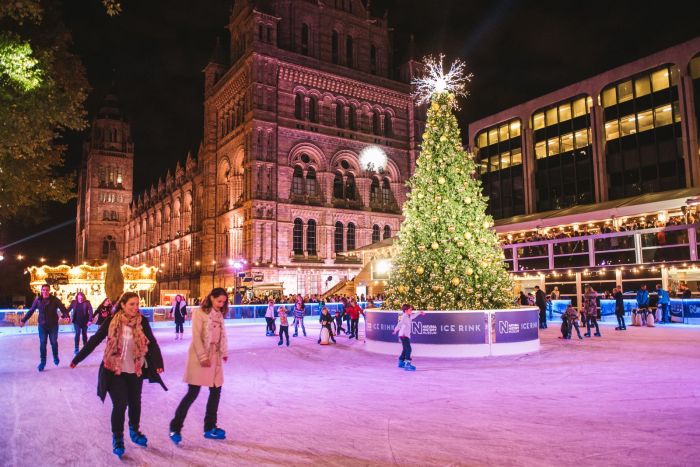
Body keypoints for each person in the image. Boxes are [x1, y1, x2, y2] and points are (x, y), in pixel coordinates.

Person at [70, 292, 166, 459]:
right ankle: (118, 438)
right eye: (131, 304)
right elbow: (94, 341)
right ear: (122, 305)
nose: (136, 308)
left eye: (137, 304)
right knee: (120, 404)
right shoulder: (111, 321)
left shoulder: (142, 321)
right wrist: (77, 359)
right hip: (114, 370)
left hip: (135, 369)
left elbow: (151, 342)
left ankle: (134, 431)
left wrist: (158, 363)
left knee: (135, 402)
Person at [169, 288, 229, 445]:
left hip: (214, 357)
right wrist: (202, 357)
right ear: (211, 298)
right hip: (199, 357)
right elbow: (196, 337)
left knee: (216, 391)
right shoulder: (199, 313)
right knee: (192, 393)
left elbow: (222, 334)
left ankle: (210, 427)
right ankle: (175, 427)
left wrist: (224, 352)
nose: (221, 305)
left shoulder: (219, 315)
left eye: (223, 302)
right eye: (219, 301)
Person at [20, 284, 69, 371]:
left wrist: (67, 315)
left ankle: (55, 356)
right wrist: (23, 320)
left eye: (47, 290)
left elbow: (63, 308)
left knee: (53, 342)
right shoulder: (38, 300)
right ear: (41, 291)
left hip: (53, 325)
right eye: (44, 290)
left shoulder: (55, 300)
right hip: (42, 326)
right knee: (43, 343)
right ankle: (43, 362)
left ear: (49, 291)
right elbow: (31, 311)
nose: (45, 291)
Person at [392, 304, 425, 371]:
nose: (411, 310)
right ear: (406, 310)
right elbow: (400, 323)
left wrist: (419, 312)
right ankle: (407, 364)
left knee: (405, 349)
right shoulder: (404, 316)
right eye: (410, 309)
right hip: (403, 335)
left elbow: (413, 316)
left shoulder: (409, 316)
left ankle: (401, 362)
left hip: (405, 335)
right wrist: (396, 330)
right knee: (409, 349)